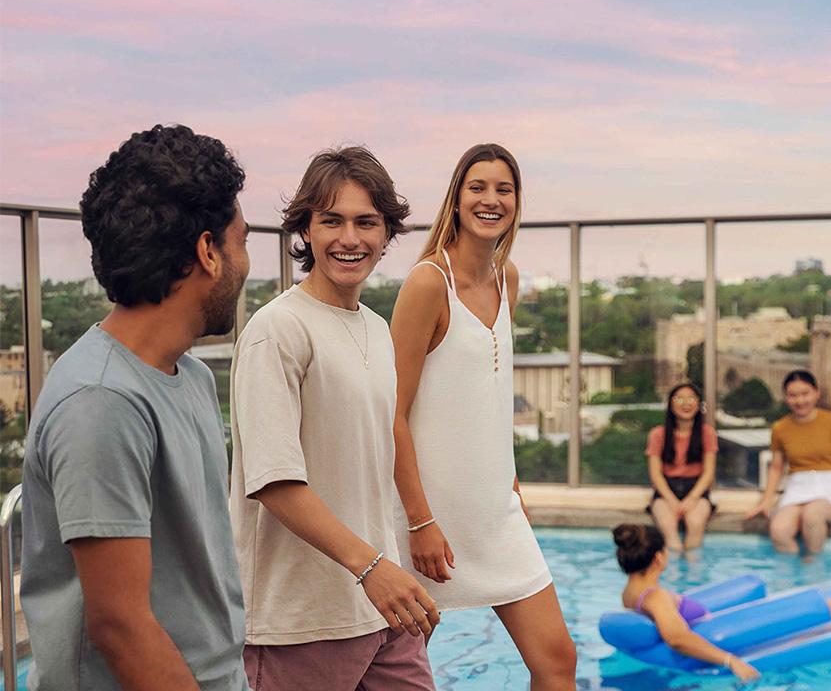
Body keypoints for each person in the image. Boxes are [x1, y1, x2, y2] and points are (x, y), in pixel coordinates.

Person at [20, 124, 251, 690]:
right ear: (208, 252)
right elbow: (122, 629)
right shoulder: (101, 402)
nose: (246, 265)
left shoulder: (190, 377)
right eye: (241, 242)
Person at [229, 147, 438, 691]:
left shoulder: (376, 328)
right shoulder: (277, 329)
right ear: (306, 229)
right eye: (331, 221)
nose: (350, 238)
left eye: (366, 222)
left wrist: (398, 557)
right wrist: (373, 569)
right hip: (299, 621)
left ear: (386, 232)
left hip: (383, 608)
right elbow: (273, 482)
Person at [390, 143, 578, 689]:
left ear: (517, 201)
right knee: (395, 673)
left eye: (504, 189)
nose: (490, 199)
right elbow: (390, 413)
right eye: (478, 187)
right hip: (428, 516)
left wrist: (511, 485)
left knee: (557, 661)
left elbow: (487, 397)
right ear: (457, 198)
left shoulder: (506, 278)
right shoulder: (429, 282)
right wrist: (419, 521)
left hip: (496, 512)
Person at [613, 524, 759, 681]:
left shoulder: (630, 591)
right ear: (658, 557)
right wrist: (731, 661)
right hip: (704, 648)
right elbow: (677, 639)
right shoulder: (655, 597)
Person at [746, 369, 831, 554]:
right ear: (786, 398)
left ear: (817, 393)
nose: (800, 400)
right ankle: (792, 570)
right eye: (793, 395)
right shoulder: (780, 428)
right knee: (779, 529)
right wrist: (766, 501)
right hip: (798, 486)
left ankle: (813, 566)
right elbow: (776, 468)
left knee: (812, 515)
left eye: (805, 394)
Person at [645, 383, 718, 551]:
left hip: (696, 491)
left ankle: (693, 567)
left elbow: (708, 472)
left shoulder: (707, 433)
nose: (686, 403)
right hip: (665, 491)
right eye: (679, 399)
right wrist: (671, 500)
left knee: (695, 523)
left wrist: (691, 498)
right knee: (668, 527)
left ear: (699, 404)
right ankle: (674, 565)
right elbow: (655, 474)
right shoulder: (658, 434)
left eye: (691, 398)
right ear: (670, 404)